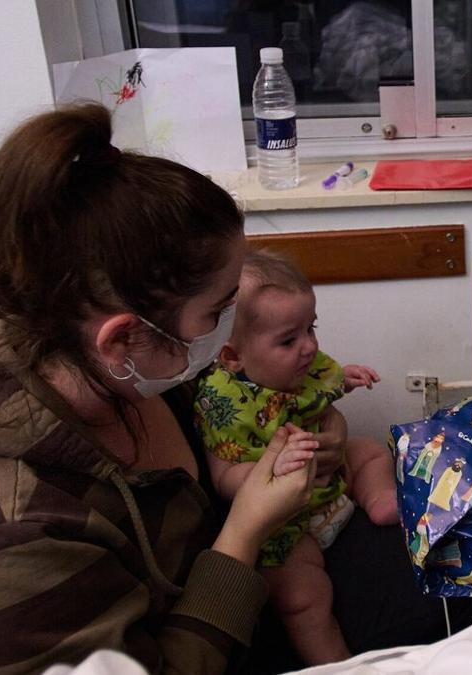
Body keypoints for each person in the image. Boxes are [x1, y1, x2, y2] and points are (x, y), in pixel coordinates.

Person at [0, 102, 465, 675]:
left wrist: (327, 433)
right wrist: (244, 530)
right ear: (123, 338)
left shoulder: (102, 358)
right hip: (217, 626)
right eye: (218, 312)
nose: (231, 335)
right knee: (462, 620)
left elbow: (270, 411)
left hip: (248, 577)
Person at [194, 249, 398, 664]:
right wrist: (273, 469)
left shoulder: (302, 362)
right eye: (289, 339)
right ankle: (337, 666)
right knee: (302, 598)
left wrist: (347, 378)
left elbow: (326, 382)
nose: (308, 347)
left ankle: (382, 502)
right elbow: (223, 476)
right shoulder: (221, 402)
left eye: (312, 328)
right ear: (232, 356)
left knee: (372, 451)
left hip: (332, 485)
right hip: (284, 526)